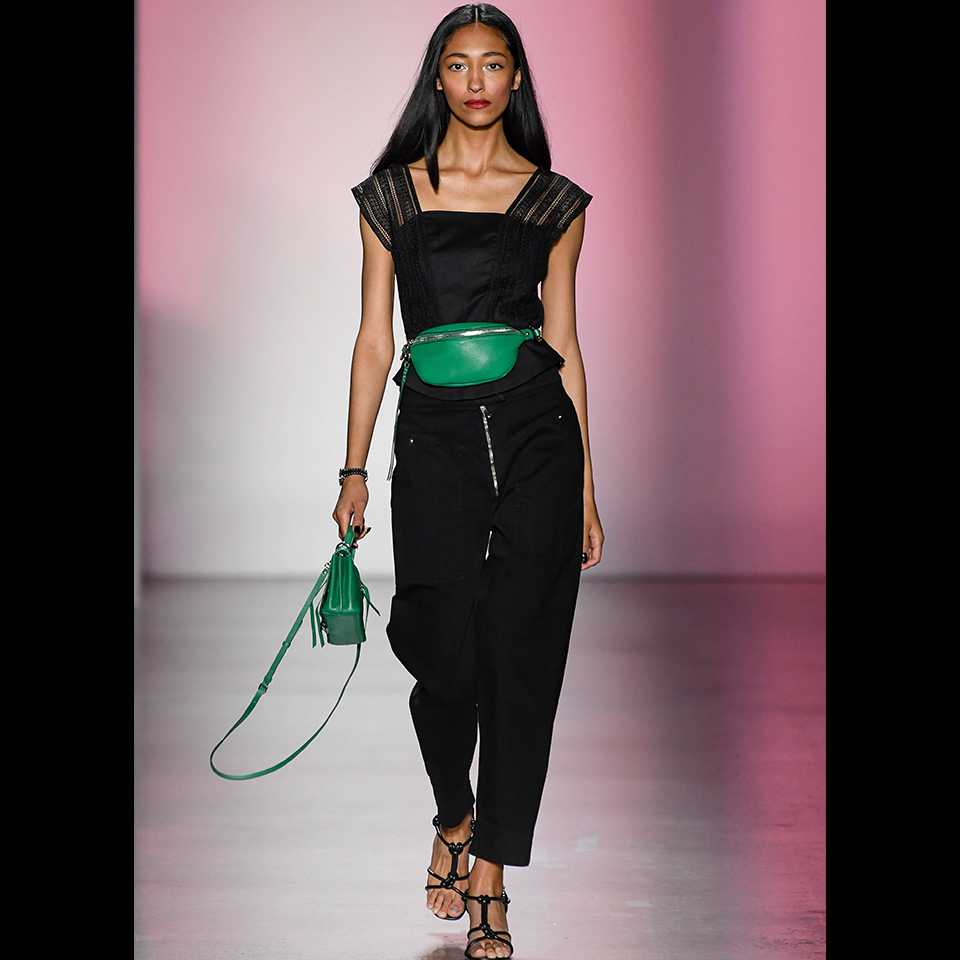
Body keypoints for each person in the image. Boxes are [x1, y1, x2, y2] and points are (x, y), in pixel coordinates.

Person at [333, 5, 603, 957]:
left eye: (494, 64)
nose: (477, 81)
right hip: (435, 438)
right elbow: (376, 340)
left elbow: (565, 343)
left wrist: (586, 487)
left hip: (537, 433)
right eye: (459, 64)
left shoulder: (554, 202)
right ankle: (455, 812)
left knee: (523, 652)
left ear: (517, 78)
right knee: (440, 647)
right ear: (437, 78)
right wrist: (354, 467)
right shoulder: (391, 198)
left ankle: (491, 869)